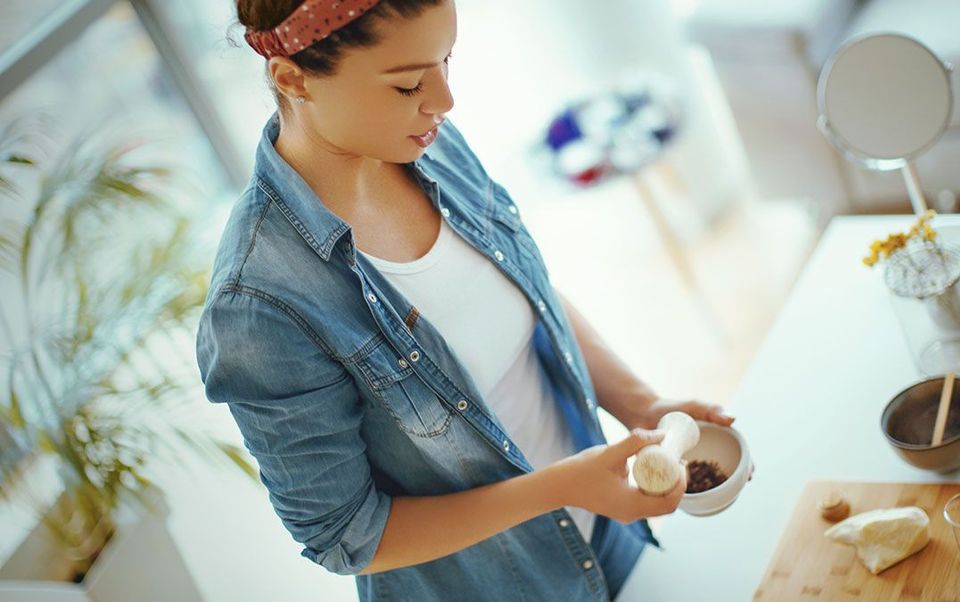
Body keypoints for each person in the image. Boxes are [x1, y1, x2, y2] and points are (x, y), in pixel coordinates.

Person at [197, 0, 734, 599]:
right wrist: (560, 488)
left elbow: (520, 291)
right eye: (407, 84)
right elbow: (349, 537)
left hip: (607, 536)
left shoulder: (431, 146)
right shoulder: (261, 305)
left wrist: (640, 403)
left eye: (445, 60)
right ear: (293, 78)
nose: (443, 101)